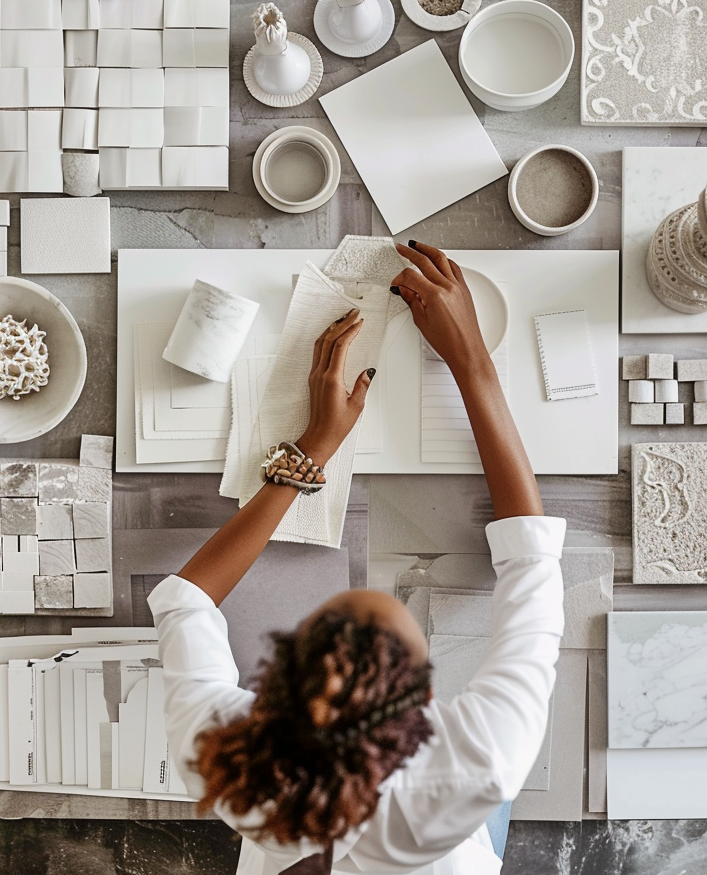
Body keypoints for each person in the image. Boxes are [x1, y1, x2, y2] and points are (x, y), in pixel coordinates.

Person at [149, 242, 566, 874]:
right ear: (428, 719)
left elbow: (185, 599)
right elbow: (532, 561)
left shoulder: (235, 762)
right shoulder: (476, 764)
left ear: (269, 695)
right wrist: (471, 360)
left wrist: (310, 450)